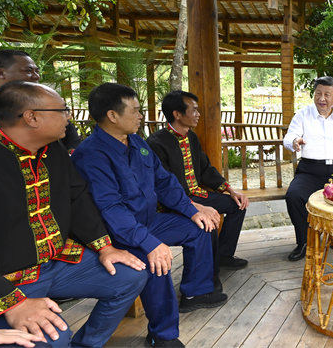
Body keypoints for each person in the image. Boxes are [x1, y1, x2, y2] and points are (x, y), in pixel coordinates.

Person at [0, 82, 147, 347]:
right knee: (53, 337)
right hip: (6, 280)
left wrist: (105, 247)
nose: (69, 116)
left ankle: (86, 344)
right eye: (62, 110)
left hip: (58, 261)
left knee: (131, 276)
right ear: (32, 117)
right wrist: (13, 305)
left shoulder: (52, 150)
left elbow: (77, 197)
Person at [72, 83, 225, 348]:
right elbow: (110, 210)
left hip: (147, 221)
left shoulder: (138, 143)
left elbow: (164, 183)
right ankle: (162, 335)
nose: (141, 115)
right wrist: (150, 243)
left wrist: (192, 211)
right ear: (112, 115)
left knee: (199, 228)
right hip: (115, 235)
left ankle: (195, 292)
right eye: (135, 110)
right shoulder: (92, 154)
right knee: (155, 263)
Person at [147, 91, 249, 284]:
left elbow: (205, 169)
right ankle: (207, 278)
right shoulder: (156, 143)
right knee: (206, 223)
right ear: (177, 114)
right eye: (193, 110)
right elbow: (162, 185)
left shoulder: (191, 137)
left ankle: (223, 256)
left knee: (237, 205)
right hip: (176, 202)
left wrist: (230, 190)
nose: (198, 114)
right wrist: (193, 206)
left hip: (198, 195)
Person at [282, 76, 333, 262]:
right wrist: (294, 142)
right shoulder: (303, 114)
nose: (321, 98)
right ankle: (304, 241)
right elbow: (288, 137)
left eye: (327, 94)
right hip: (309, 170)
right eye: (318, 93)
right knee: (293, 196)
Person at [0, 49, 80, 150]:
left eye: (37, 71)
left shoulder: (45, 100)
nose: (36, 76)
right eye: (28, 71)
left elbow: (70, 133)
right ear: (1, 73)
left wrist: (71, 152)